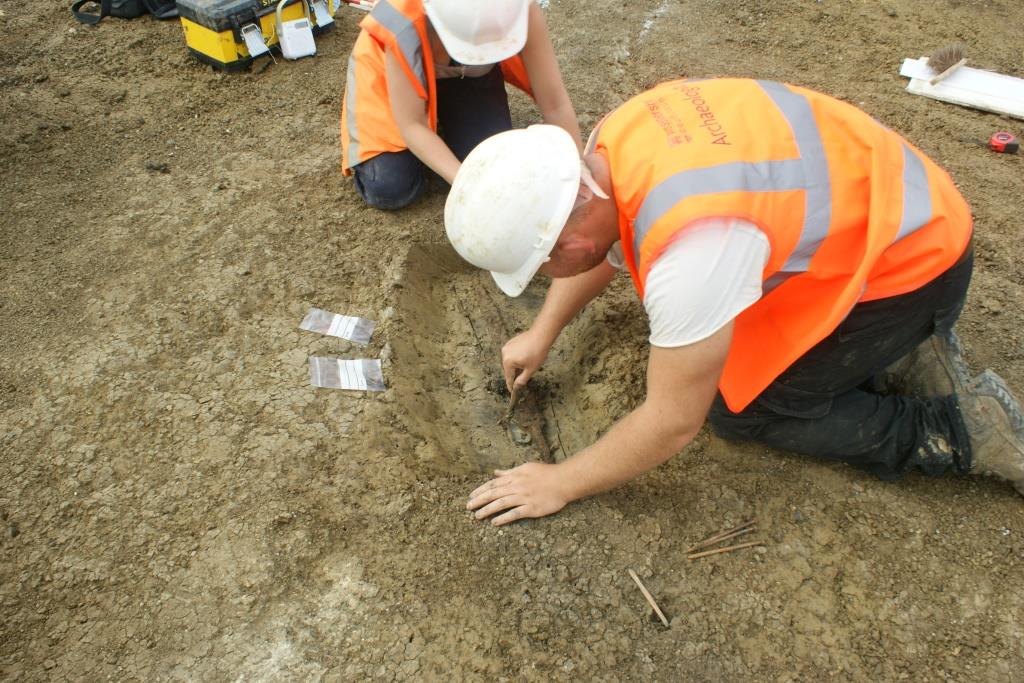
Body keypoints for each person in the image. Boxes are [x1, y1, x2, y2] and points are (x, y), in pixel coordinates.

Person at [442, 77, 1024, 526]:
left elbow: (672, 422)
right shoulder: (613, 144)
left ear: (570, 240)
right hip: (896, 198)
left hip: (915, 261)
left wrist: (560, 482)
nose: (548, 276)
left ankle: (959, 427)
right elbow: (606, 242)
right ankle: (894, 351)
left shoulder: (693, 252)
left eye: (542, 266)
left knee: (744, 408)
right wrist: (543, 331)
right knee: (740, 342)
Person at [339, 0, 581, 210]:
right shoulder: (402, 23)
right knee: (390, 186)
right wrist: (467, 183)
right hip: (391, 77)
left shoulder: (518, 9)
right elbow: (412, 124)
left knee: (492, 167)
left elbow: (555, 102)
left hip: (466, 80)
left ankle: (443, 130)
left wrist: (577, 169)